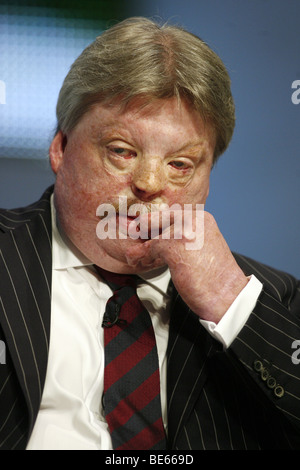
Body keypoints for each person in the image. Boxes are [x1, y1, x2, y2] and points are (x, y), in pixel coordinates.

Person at [0, 16, 299, 451]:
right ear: (60, 148)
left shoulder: (273, 297)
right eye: (122, 151)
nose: (149, 182)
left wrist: (228, 302)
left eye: (180, 164)